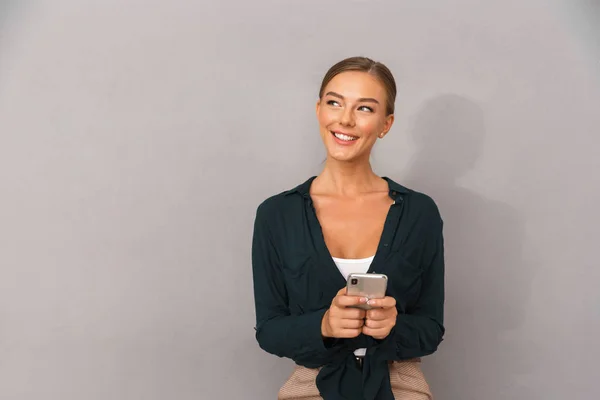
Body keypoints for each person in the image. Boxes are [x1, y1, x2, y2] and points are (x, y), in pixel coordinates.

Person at [251, 56, 445, 400]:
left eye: (365, 109)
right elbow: (269, 331)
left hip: (398, 385)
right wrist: (324, 325)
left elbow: (431, 329)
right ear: (319, 110)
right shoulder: (276, 215)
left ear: (386, 124)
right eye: (334, 102)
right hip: (312, 385)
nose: (345, 119)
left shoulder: (420, 213)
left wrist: (394, 325)